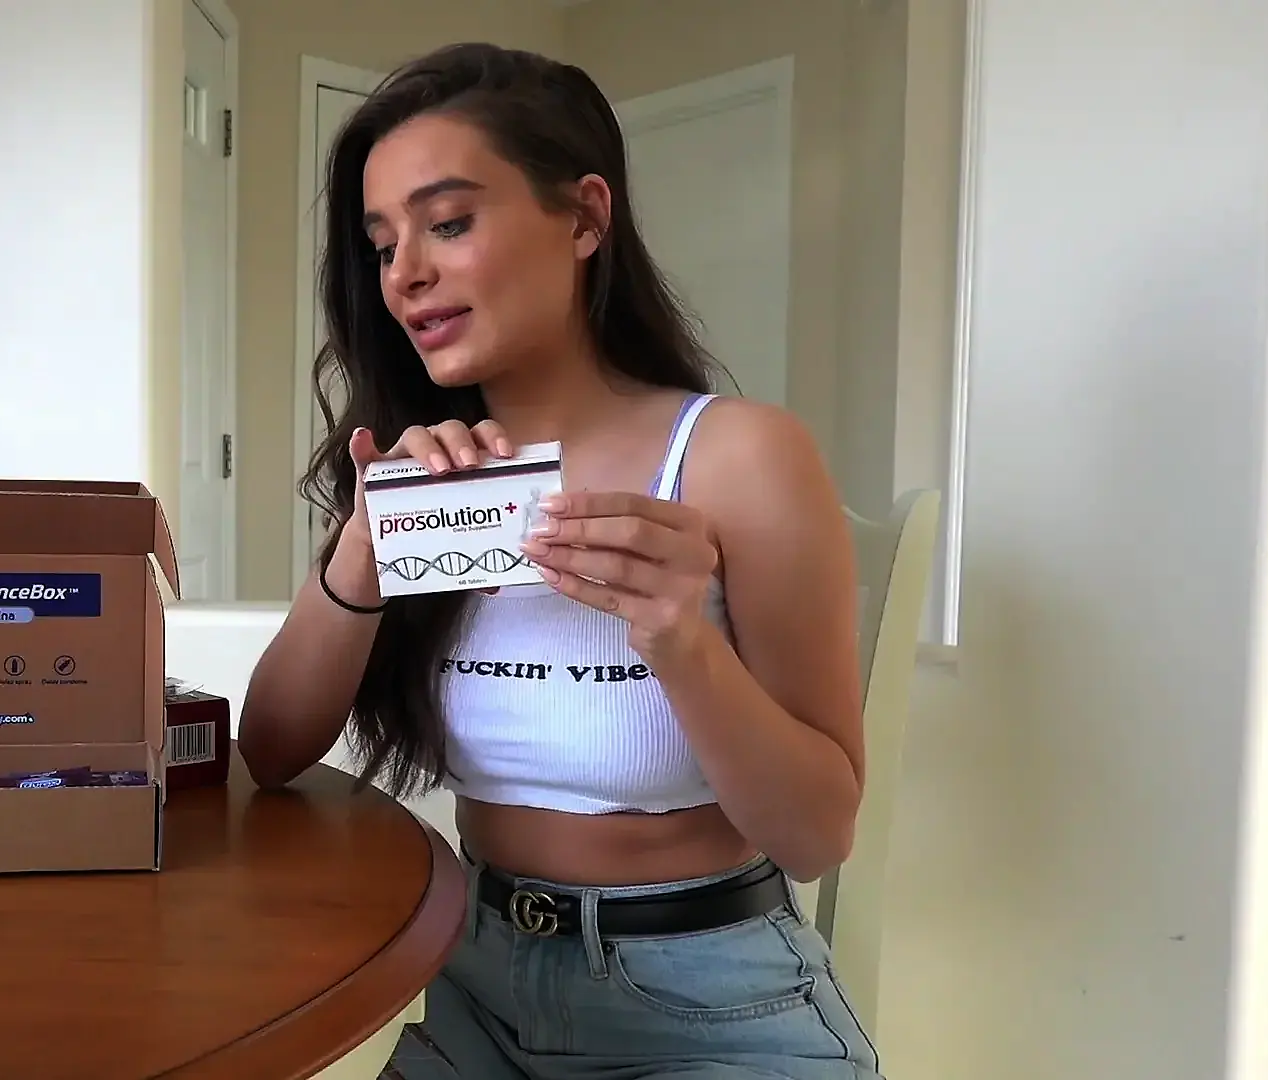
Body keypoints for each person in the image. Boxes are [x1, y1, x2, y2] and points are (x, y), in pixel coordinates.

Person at [236, 41, 880, 1080]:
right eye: (381, 243)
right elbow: (270, 751)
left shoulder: (737, 456)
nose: (405, 274)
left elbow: (817, 836)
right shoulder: (423, 476)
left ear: (584, 218)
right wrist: (361, 552)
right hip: (471, 984)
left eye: (449, 223)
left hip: (709, 1004)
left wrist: (681, 641)